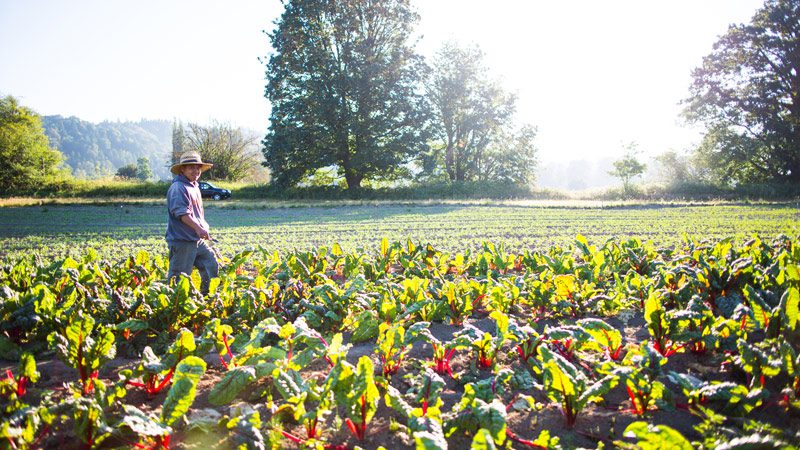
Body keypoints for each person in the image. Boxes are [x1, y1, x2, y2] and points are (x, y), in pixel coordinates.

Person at [166, 151, 219, 295]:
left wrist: (203, 227)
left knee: (211, 264)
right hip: (182, 240)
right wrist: (198, 228)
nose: (195, 171)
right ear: (182, 169)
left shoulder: (193, 185)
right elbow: (181, 213)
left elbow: (196, 213)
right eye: (191, 167)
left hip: (196, 239)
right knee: (179, 278)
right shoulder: (179, 188)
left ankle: (206, 296)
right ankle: (173, 306)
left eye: (198, 167)